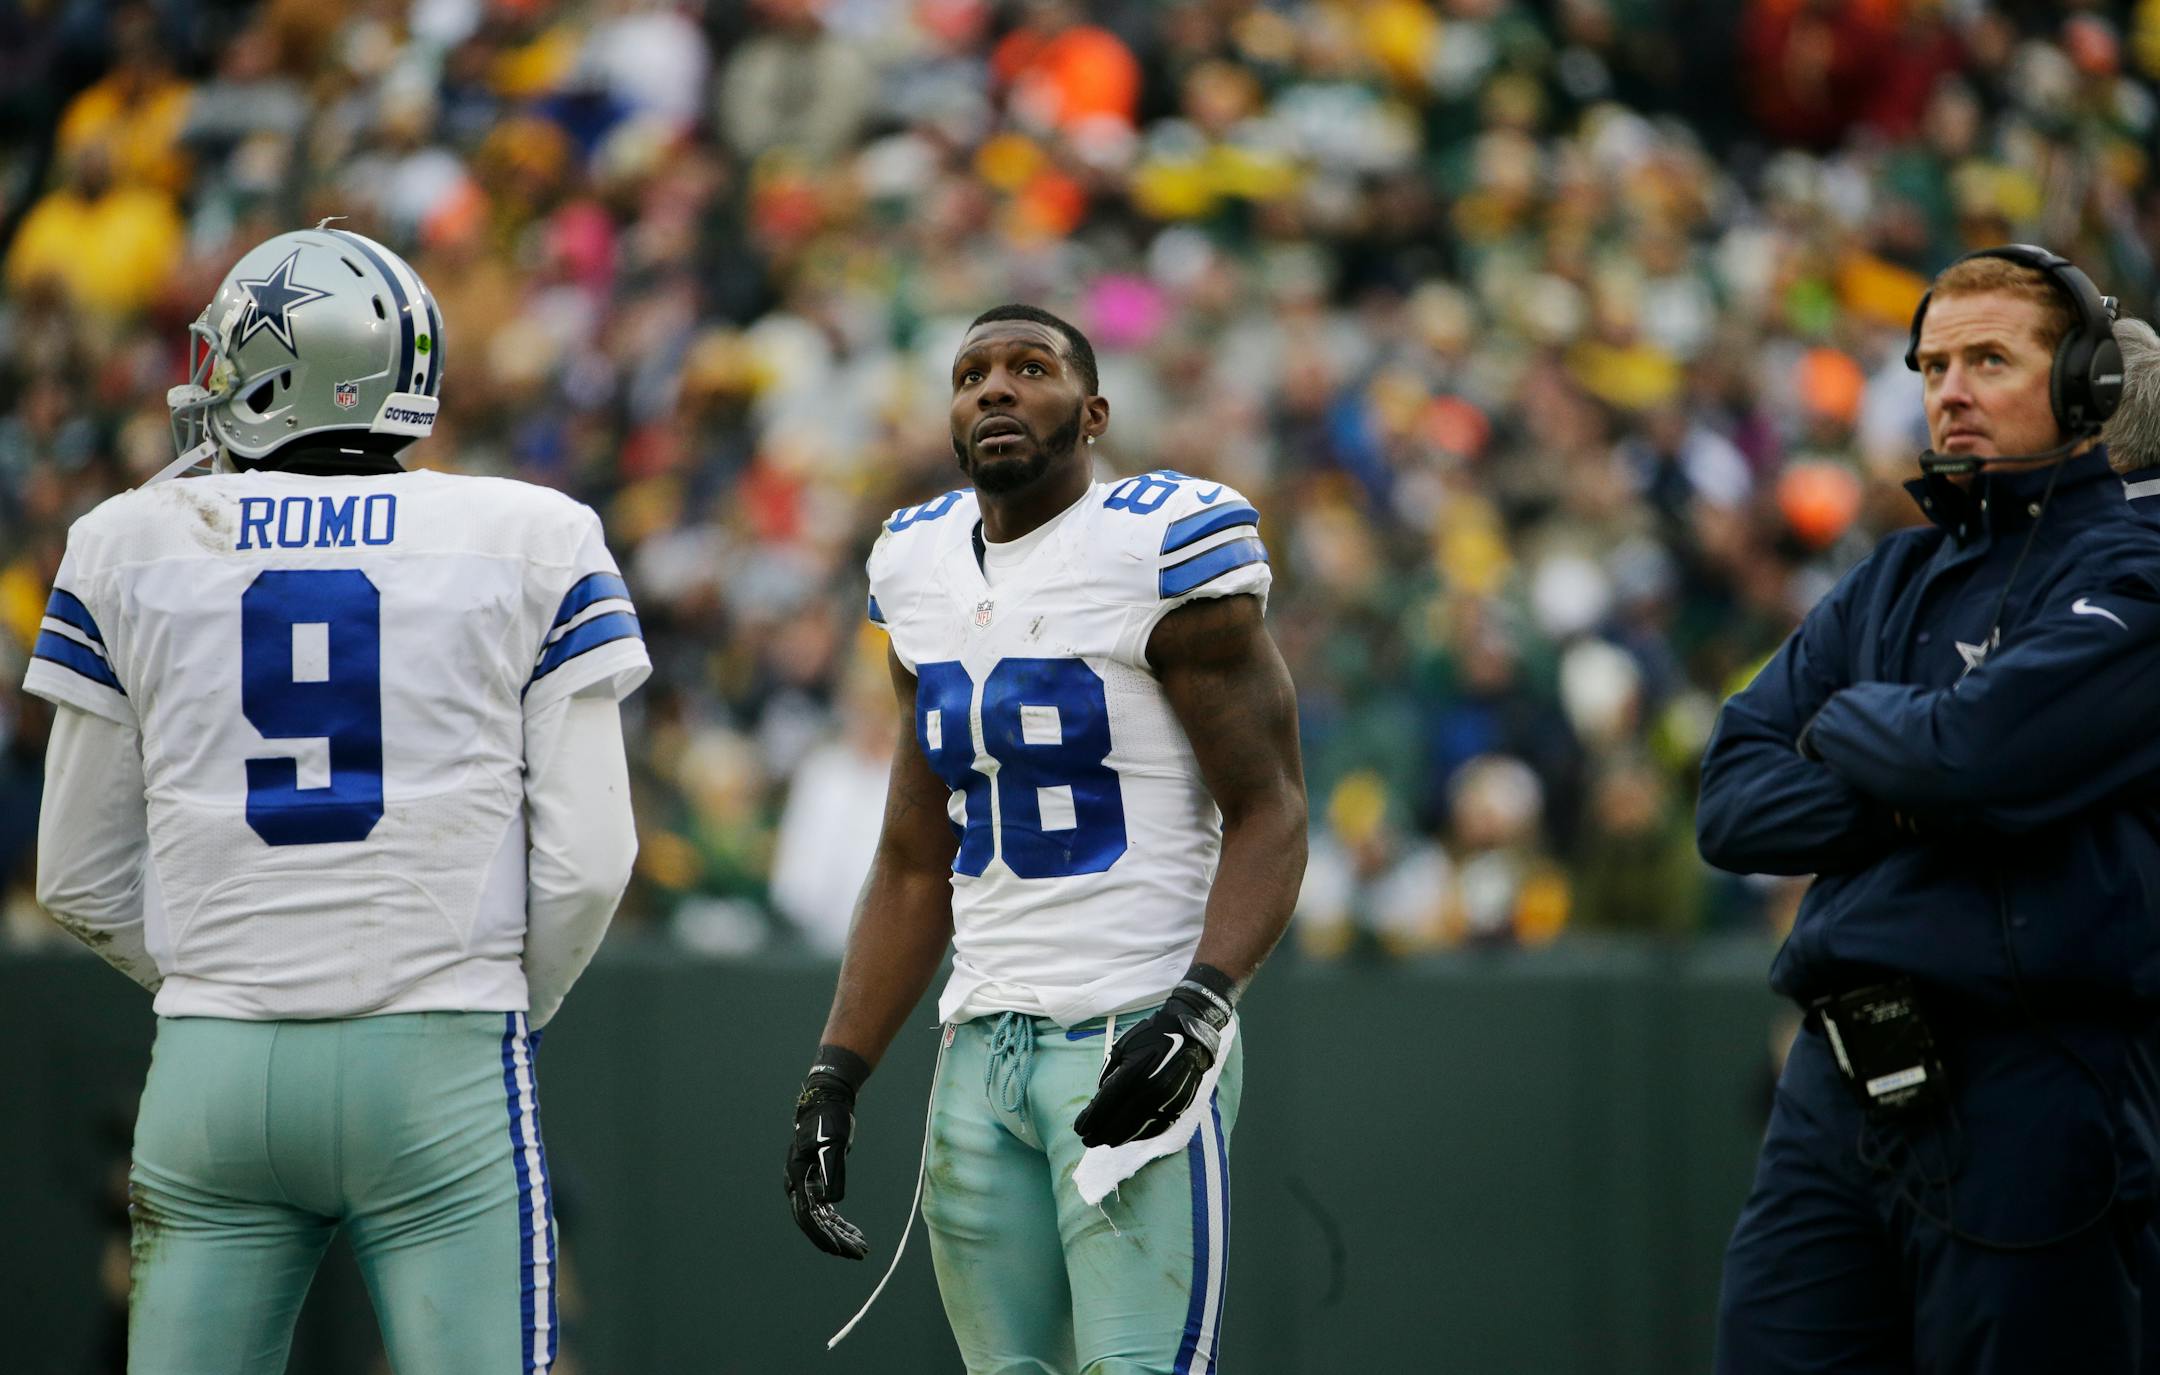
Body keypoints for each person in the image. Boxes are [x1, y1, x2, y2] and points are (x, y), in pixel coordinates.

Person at [28, 225, 647, 1374]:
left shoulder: (124, 544)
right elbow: (592, 858)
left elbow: (73, 873)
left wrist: (224, 973)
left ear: (282, 369)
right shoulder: (532, 536)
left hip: (210, 1068)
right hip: (440, 1054)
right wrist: (497, 993)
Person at [782, 304, 1307, 1374]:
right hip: (978, 1051)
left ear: (1095, 410)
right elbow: (912, 857)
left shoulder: (1162, 546)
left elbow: (1273, 809)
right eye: (972, 372)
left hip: (1131, 1033)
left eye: (1032, 367)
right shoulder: (917, 564)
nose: (996, 388)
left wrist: (1200, 1010)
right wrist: (835, 1071)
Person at [1698, 244, 2160, 1373]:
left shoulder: (2138, 563)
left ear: (2085, 385)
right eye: (1933, 362)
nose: (1949, 388)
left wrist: (1875, 727)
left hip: (2034, 1079)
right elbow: (1732, 799)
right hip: (1832, 1087)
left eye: (1989, 359)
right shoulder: (1890, 575)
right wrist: (1922, 780)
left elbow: (1970, 756)